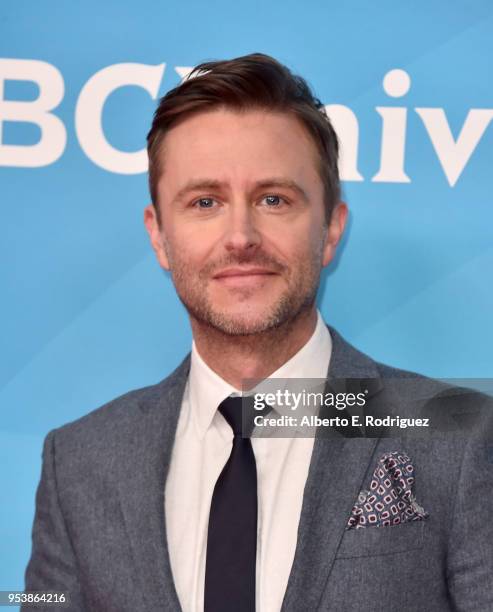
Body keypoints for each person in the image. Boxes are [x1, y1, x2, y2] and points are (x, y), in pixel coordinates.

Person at [23, 53, 493, 612]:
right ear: (158, 235)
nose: (241, 236)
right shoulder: (78, 461)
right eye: (205, 202)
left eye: (274, 199)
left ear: (331, 230)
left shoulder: (461, 439)